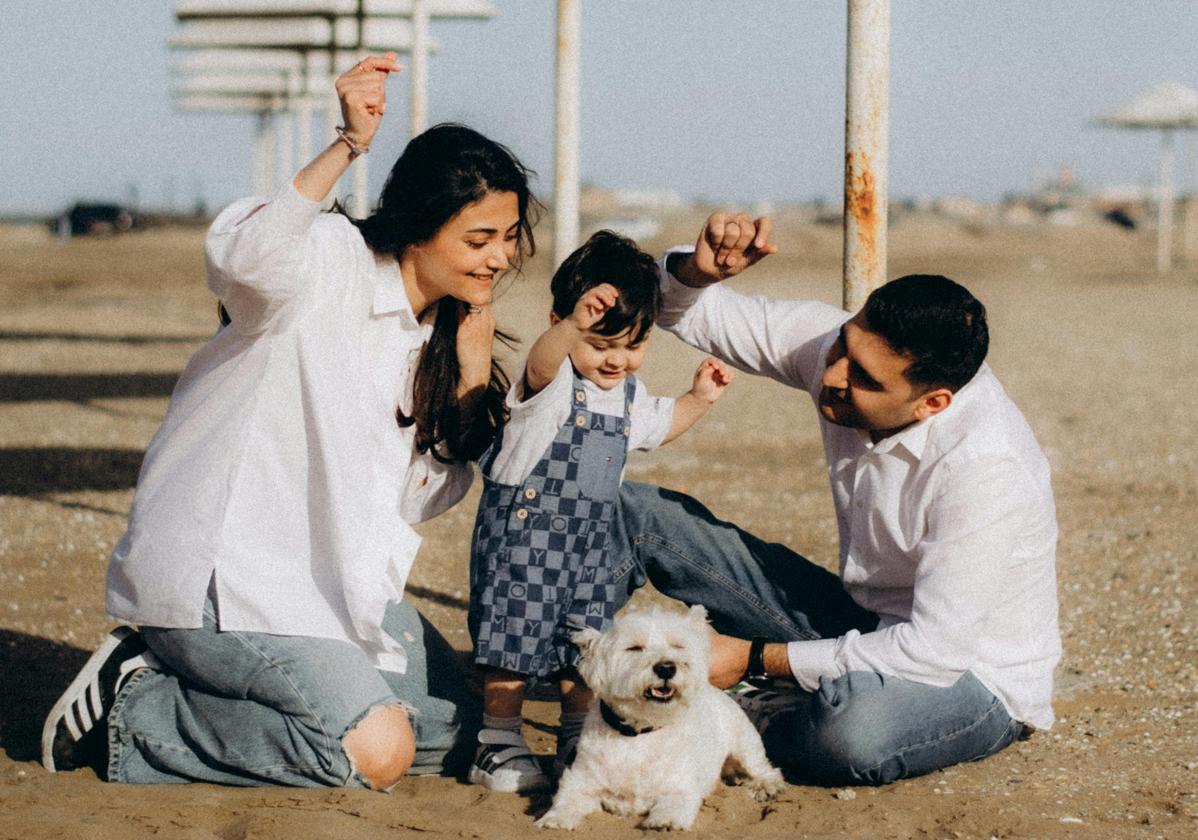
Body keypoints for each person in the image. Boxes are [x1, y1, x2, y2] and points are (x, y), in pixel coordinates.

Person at [41, 53, 540, 789]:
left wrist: (469, 372)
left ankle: (222, 692)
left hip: (323, 588)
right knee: (375, 752)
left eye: (508, 237)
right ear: (420, 225)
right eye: (480, 238)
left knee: (459, 735)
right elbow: (243, 258)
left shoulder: (432, 338)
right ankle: (134, 710)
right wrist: (346, 145)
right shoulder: (326, 264)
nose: (500, 258)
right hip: (222, 579)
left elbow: (408, 502)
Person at [609, 213, 1061, 786]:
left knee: (848, 737)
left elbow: (932, 651)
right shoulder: (838, 354)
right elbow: (689, 311)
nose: (834, 376)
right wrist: (697, 272)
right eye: (843, 346)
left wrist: (751, 658)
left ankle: (744, 712)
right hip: (861, 624)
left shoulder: (986, 468)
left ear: (933, 403)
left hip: (968, 676)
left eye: (867, 379)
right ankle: (577, 694)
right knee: (639, 513)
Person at [466, 231, 735, 792]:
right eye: (600, 343)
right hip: (524, 538)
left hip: (588, 546)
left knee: (583, 643)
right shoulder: (553, 383)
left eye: (632, 345)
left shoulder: (626, 395)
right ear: (562, 324)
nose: (616, 359)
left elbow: (660, 428)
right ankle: (498, 740)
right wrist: (568, 331)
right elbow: (542, 362)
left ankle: (574, 732)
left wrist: (699, 400)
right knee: (513, 638)